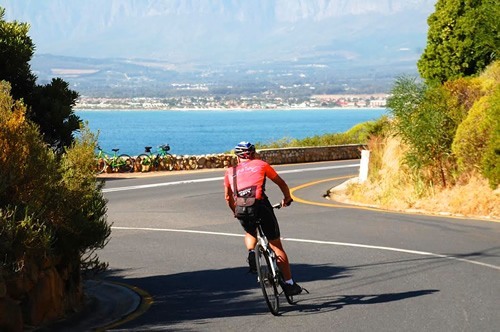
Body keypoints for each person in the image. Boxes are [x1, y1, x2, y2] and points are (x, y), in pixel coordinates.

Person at [223, 141, 302, 296]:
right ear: (252, 154)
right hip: (260, 205)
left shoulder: (229, 172)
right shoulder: (261, 164)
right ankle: (289, 283)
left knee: (250, 232)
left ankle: (251, 252)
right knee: (276, 246)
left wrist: (235, 212)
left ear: (237, 157)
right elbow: (281, 183)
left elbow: (227, 197)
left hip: (241, 208)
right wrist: (287, 198)